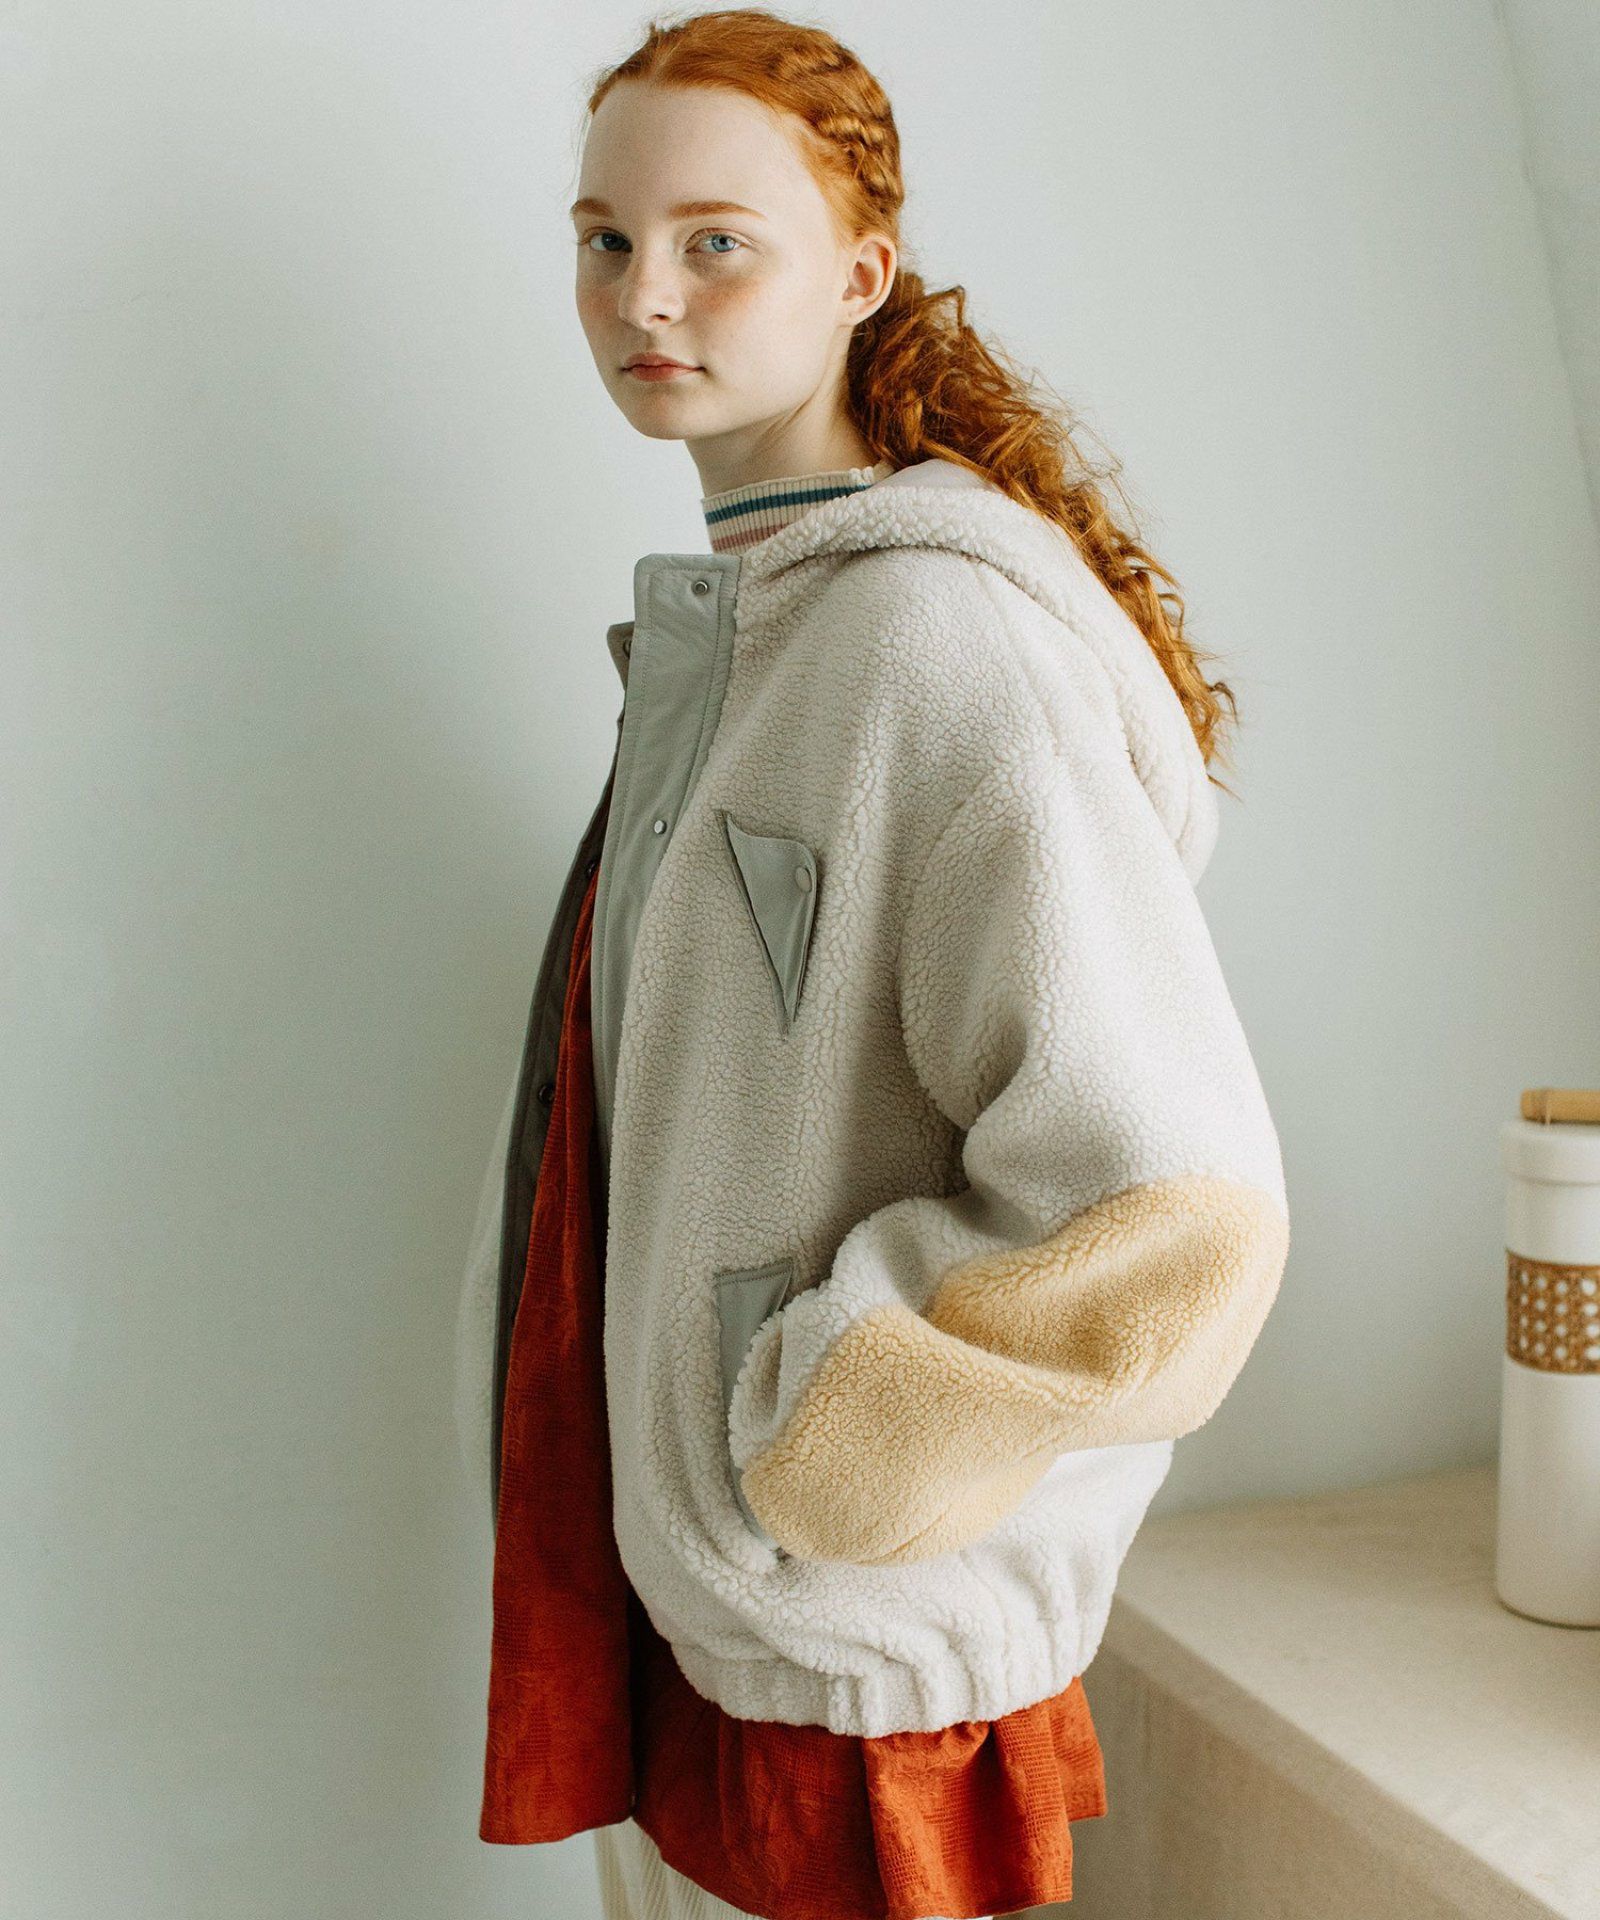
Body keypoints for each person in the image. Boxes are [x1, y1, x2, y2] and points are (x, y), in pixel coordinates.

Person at [456, 10, 1291, 1919]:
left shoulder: (931, 643)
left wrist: (828, 1434)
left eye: (715, 242)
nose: (643, 295)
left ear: (861, 272)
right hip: (702, 1609)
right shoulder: (760, 629)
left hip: (847, 1669)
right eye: (605, 239)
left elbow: (1176, 1215)